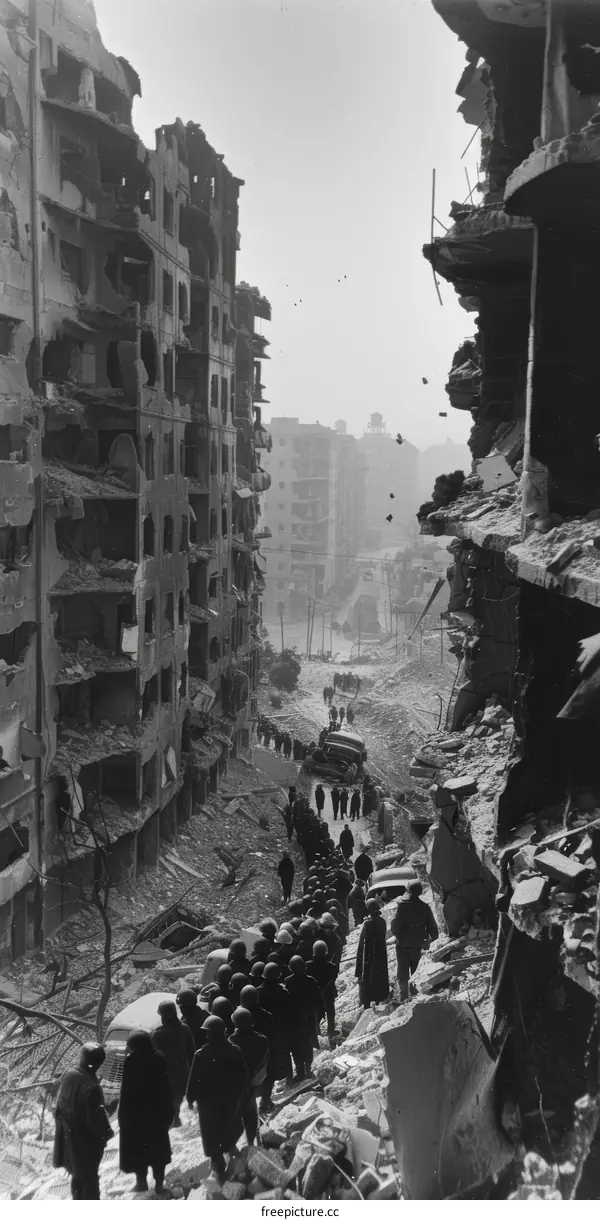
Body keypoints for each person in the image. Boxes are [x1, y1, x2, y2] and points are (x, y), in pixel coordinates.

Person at [186, 1015, 248, 1182]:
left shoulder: (201, 1054)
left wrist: (190, 1098)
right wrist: (239, 1095)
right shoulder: (234, 1050)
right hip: (230, 1099)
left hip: (208, 1103)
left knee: (211, 1132)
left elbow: (193, 1079)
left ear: (208, 1035)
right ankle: (230, 1148)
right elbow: (243, 1076)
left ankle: (219, 1166)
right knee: (230, 1125)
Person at [53, 1043, 112, 1200]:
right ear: (99, 1063)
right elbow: (96, 1121)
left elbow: (59, 1108)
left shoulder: (70, 1075)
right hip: (85, 1144)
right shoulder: (91, 1087)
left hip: (69, 1140)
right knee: (90, 1185)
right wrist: (107, 1134)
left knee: (78, 1181)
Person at [118, 1030, 173, 1195]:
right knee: (158, 1152)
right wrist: (169, 1113)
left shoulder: (131, 1061)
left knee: (139, 1150)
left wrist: (124, 1116)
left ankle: (141, 1182)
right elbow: (166, 1089)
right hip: (157, 1115)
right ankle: (158, 1185)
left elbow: (126, 1092)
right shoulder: (158, 1058)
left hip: (136, 1116)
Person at [391, 881, 439, 1000]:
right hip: (418, 944)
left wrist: (398, 936)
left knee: (402, 971)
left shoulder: (401, 905)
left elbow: (395, 926)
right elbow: (433, 928)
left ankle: (404, 996)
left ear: (408, 891)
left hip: (402, 944)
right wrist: (434, 942)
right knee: (416, 971)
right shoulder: (424, 907)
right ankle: (416, 995)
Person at [150, 1000, 195, 1127]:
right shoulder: (184, 1028)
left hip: (166, 1077)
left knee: (170, 1107)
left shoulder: (157, 1034)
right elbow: (192, 1051)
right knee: (177, 1104)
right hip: (183, 1075)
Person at [229, 1007, 270, 1145]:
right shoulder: (262, 1039)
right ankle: (253, 1141)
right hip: (256, 1083)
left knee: (238, 1114)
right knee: (251, 1111)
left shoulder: (231, 1041)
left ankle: (239, 1145)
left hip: (238, 1085)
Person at [285, 956, 324, 1080]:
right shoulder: (311, 981)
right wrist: (320, 1016)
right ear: (304, 967)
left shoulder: (288, 981)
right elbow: (318, 1001)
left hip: (293, 1019)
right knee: (308, 1043)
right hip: (309, 1017)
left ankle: (300, 1071)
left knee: (296, 1046)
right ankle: (308, 1068)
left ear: (290, 968)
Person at [239, 984, 277, 1112]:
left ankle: (250, 1106)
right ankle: (265, 1102)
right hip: (264, 1053)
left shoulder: (239, 1014)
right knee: (268, 1078)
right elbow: (272, 1037)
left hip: (245, 1056)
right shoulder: (266, 1015)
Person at [355, 898, 389, 1008]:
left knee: (368, 980)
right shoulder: (382, 921)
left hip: (369, 957)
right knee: (380, 977)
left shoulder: (367, 924)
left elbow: (362, 945)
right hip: (380, 955)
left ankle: (367, 1003)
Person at [307, 940, 338, 1041]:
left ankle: (317, 1034)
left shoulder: (308, 966)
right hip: (328, 993)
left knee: (316, 1014)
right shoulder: (332, 967)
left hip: (314, 994)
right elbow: (333, 979)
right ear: (326, 952)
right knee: (330, 1013)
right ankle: (331, 1030)